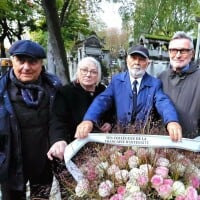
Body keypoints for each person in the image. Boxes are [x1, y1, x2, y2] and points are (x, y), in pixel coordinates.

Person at [0, 40, 66, 200]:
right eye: (21, 61)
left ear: (41, 64)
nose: (26, 67)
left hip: (42, 163)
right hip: (11, 164)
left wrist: (58, 140)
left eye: (33, 62)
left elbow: (58, 119)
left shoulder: (53, 88)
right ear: (13, 61)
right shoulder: (2, 90)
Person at [75, 45, 182, 142]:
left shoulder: (155, 84)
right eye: (133, 58)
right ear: (127, 60)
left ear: (148, 63)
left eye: (141, 59)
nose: (137, 62)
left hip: (144, 140)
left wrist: (172, 121)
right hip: (119, 138)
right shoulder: (116, 81)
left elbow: (163, 102)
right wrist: (89, 119)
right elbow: (103, 100)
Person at [50, 56, 114, 198]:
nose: (88, 74)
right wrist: (58, 139)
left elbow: (112, 112)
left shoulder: (103, 91)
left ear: (98, 75)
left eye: (93, 71)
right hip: (72, 149)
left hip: (98, 152)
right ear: (77, 72)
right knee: (73, 192)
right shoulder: (65, 92)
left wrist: (110, 122)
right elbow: (57, 120)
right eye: (84, 70)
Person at [158, 31, 200, 138]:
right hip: (164, 144)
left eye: (183, 51)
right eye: (173, 50)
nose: (177, 55)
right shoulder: (160, 77)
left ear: (192, 53)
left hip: (193, 145)